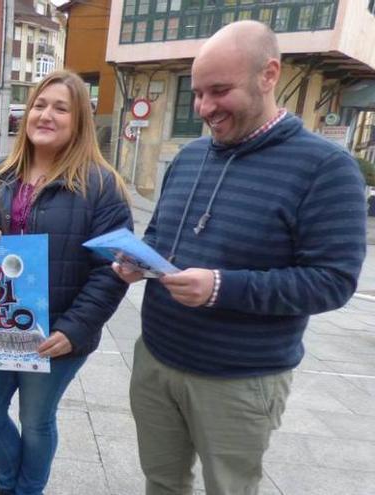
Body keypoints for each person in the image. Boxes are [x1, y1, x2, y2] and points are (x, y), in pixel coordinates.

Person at [112, 21, 367, 495]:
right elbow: (162, 236)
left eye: (220, 91)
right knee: (161, 482)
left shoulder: (327, 169)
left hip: (239, 379)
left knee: (228, 489)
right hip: (157, 359)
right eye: (198, 93)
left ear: (268, 75)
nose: (205, 107)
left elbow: (332, 281)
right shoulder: (189, 157)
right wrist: (138, 263)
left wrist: (221, 288)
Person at [0, 70, 133, 495]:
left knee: (36, 420)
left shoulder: (101, 184)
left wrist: (73, 330)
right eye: (39, 104)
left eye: (60, 108)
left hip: (54, 334)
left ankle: (21, 490)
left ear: (79, 121)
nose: (46, 115)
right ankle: (13, 484)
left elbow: (111, 270)